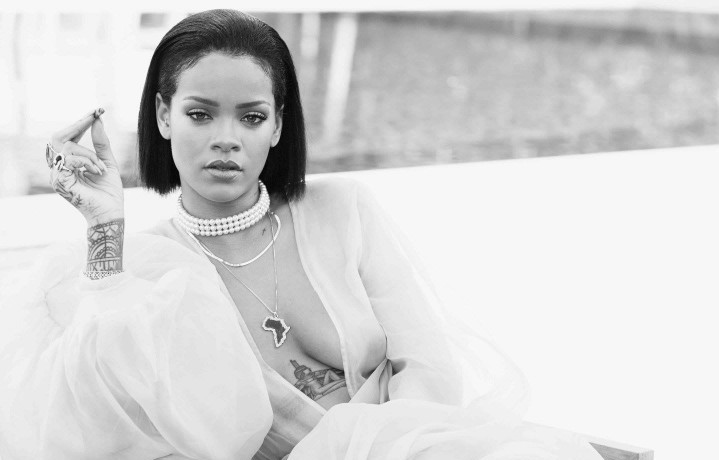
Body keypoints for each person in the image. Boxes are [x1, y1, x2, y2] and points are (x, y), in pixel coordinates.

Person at [0, 9, 604, 460]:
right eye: (200, 114)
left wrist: (380, 446)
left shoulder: (342, 211)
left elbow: (427, 367)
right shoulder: (146, 268)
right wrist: (105, 226)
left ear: (278, 125)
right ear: (163, 115)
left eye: (252, 117)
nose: (226, 139)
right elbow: (96, 418)